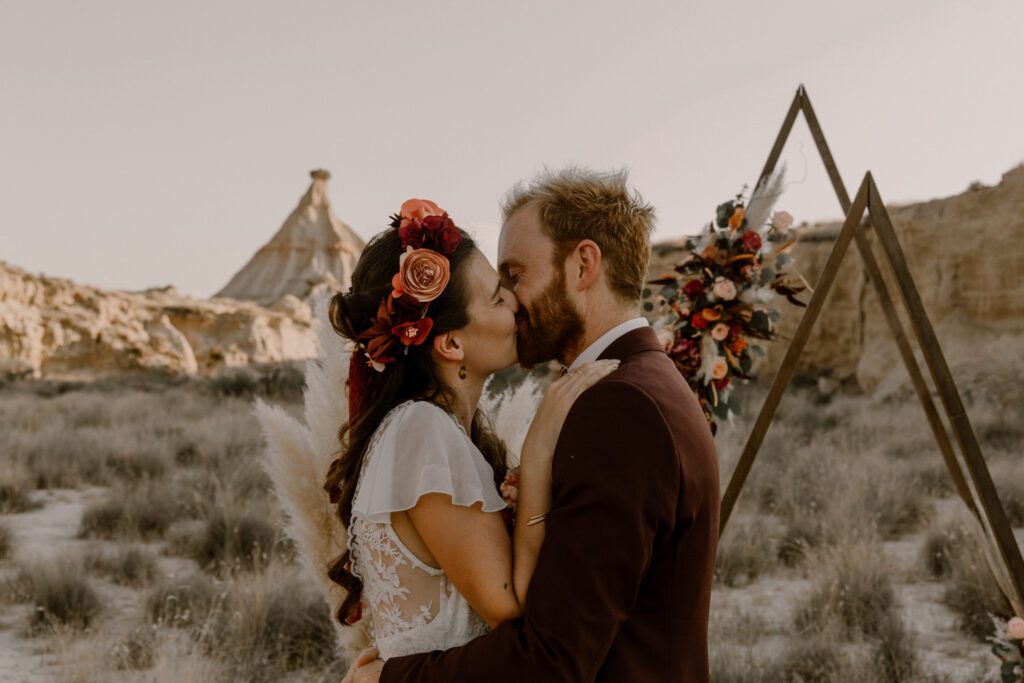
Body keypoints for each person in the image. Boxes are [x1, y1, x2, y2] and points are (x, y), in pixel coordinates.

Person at [345, 169, 721, 683]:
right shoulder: (639, 386)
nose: (514, 302)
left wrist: (390, 679)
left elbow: (551, 660)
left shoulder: (620, 406)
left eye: (514, 277)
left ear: (583, 265)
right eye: (499, 291)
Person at [324, 198, 619, 662]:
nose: (517, 304)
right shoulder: (423, 431)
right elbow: (514, 608)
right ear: (452, 343)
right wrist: (540, 449)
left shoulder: (429, 429)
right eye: (498, 298)